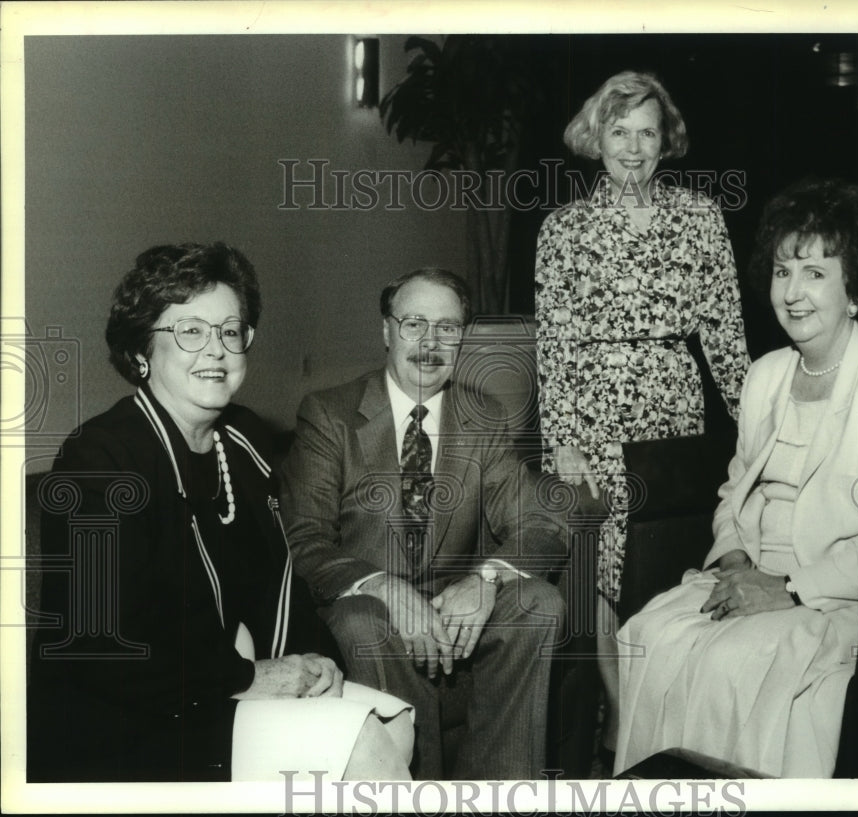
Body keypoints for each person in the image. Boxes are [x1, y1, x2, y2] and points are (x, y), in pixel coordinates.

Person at [27, 243, 413, 783]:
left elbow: (281, 584)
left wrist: (314, 656)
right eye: (190, 331)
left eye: (230, 331)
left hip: (215, 687)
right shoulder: (101, 460)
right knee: (363, 743)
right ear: (142, 350)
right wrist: (250, 677)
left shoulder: (243, 439)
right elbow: (97, 649)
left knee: (393, 723)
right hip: (124, 721)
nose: (216, 350)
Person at [614, 179, 858, 777]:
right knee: (650, 632)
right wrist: (737, 561)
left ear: (855, 288)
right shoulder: (764, 375)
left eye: (815, 273)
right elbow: (733, 491)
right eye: (781, 271)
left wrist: (788, 589)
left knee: (734, 661)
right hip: (746, 580)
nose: (792, 293)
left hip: (836, 600)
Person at [534, 69, 750, 759]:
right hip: (593, 420)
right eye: (619, 131)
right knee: (602, 576)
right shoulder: (562, 229)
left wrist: (762, 427)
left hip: (672, 413)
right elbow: (555, 344)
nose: (632, 147)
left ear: (667, 141)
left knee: (664, 572)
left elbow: (725, 334)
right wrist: (564, 442)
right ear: (595, 137)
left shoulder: (700, 218)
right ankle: (627, 724)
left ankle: (669, 715)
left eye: (647, 132)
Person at [279, 267, 568, 780]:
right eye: (413, 324)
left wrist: (486, 578)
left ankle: (497, 794)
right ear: (386, 330)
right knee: (362, 621)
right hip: (369, 605)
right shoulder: (330, 415)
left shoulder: (484, 416)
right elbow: (306, 540)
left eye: (448, 328)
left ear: (463, 337)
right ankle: (413, 792)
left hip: (453, 603)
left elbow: (540, 525)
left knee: (537, 601)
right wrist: (386, 588)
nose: (430, 343)